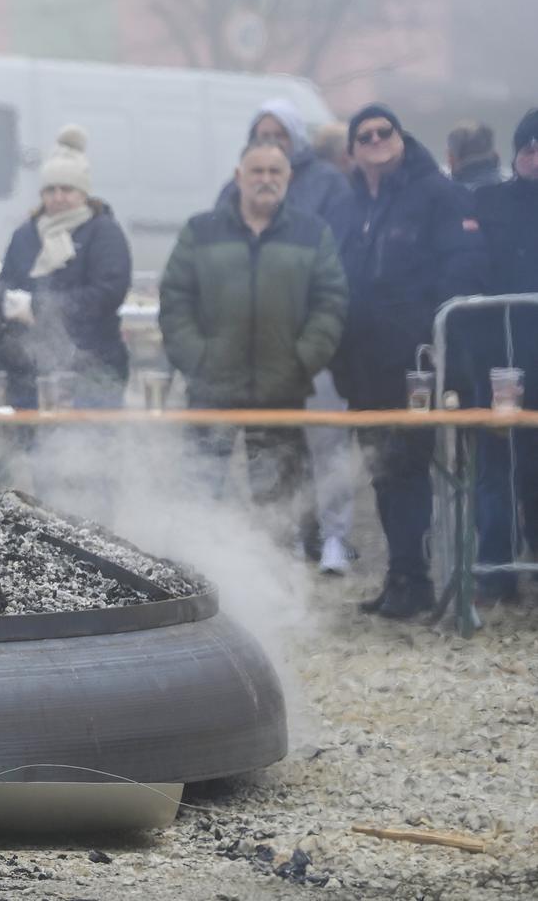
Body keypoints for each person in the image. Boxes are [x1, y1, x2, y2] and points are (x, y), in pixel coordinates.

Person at [329, 104, 486, 619]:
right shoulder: (349, 206)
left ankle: (416, 581)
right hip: (362, 363)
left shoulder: (435, 193)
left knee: (411, 470)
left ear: (400, 137)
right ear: (352, 151)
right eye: (365, 135)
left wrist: (421, 327)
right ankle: (398, 576)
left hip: (416, 362)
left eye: (384, 131)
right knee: (381, 471)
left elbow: (463, 268)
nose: (376, 139)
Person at [161, 141, 348, 560]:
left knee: (278, 501)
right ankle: (195, 575)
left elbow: (330, 304)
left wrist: (302, 360)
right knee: (198, 492)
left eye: (274, 172)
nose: (266, 179)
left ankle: (276, 584)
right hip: (211, 391)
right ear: (239, 176)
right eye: (257, 171)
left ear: (288, 179)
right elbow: (175, 301)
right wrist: (198, 359)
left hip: (280, 391)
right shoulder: (200, 230)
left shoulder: (311, 232)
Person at [217, 100, 359, 572]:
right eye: (262, 132)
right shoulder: (233, 186)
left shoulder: (328, 184)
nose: (270, 140)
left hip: (312, 341)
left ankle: (335, 536)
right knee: (274, 445)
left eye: (279, 132)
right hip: (258, 345)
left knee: (325, 441)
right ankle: (288, 537)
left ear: (295, 138)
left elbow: (337, 261)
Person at [0, 124, 132, 410]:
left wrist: (38, 307)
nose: (58, 197)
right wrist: (8, 301)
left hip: (93, 366)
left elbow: (107, 293)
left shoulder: (103, 232)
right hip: (31, 368)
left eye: (67, 189)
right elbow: (7, 281)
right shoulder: (26, 235)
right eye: (50, 190)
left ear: (83, 193)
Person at [469, 108, 538, 604]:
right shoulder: (489, 201)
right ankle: (494, 570)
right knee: (493, 465)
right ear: (517, 155)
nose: (537, 158)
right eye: (529, 148)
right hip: (500, 356)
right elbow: (471, 271)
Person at [447, 121, 502, 192]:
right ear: (495, 153)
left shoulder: (455, 195)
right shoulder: (507, 187)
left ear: (454, 158)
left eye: (450, 153)